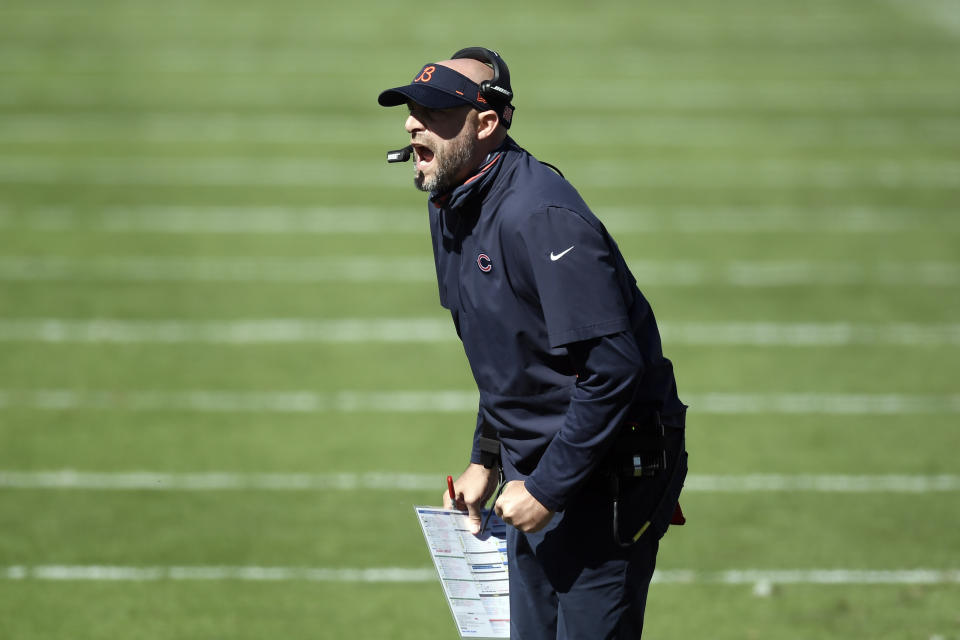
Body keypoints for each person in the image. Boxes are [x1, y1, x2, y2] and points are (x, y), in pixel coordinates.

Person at [378, 47, 688, 640]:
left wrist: (546, 489)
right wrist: (487, 458)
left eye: (435, 112)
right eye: (412, 109)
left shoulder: (539, 216)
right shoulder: (451, 205)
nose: (413, 123)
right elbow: (508, 358)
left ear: (486, 124)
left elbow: (614, 369)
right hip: (536, 469)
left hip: (609, 469)